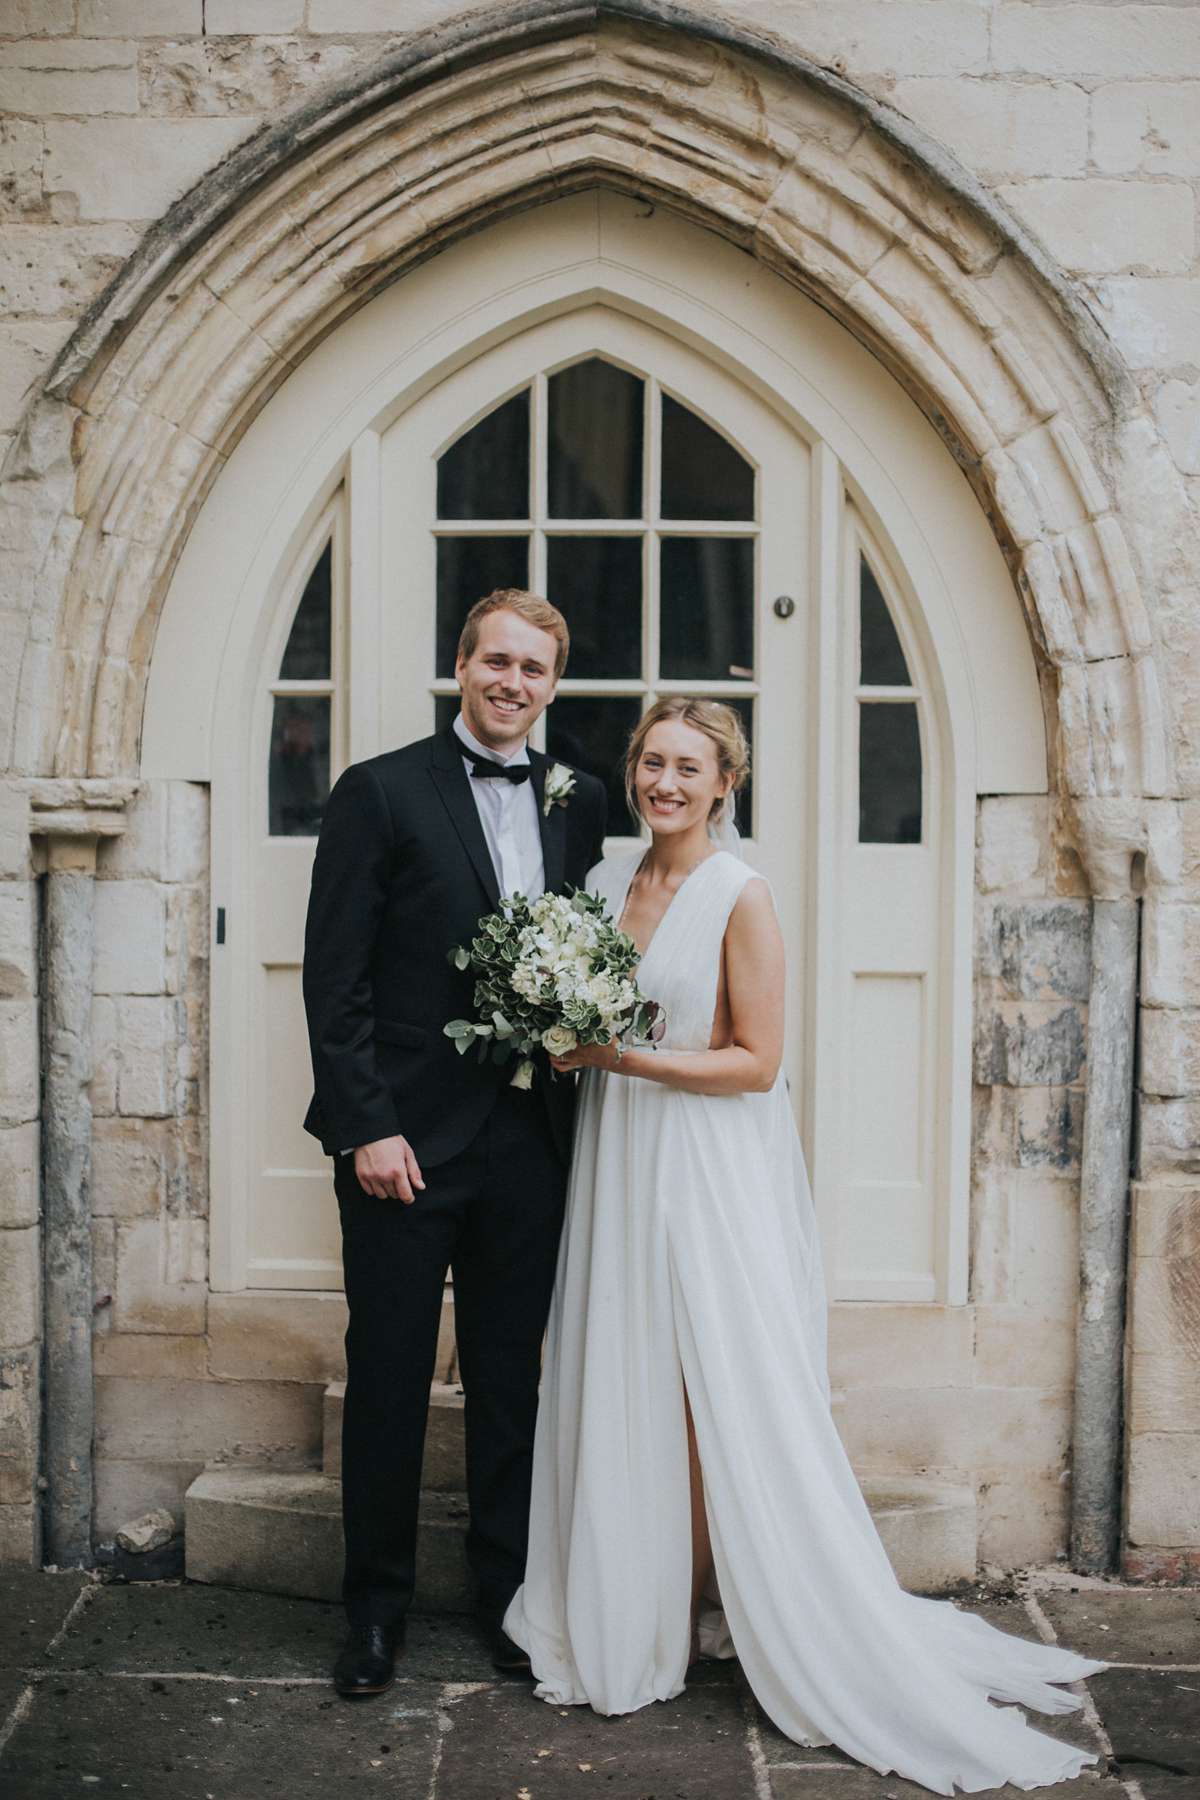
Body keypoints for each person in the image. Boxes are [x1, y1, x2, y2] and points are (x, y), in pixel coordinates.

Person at [504, 696, 1106, 1796]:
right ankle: (635, 1607)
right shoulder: (600, 886)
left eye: (688, 767)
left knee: (710, 1383)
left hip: (701, 1164)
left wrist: (616, 1058)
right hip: (616, 1163)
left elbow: (757, 1062)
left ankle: (689, 1610)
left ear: (724, 783)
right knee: (625, 1368)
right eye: (652, 762)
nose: (665, 783)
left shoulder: (743, 894)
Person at [302, 589, 607, 1697]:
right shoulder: (380, 791)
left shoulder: (581, 800)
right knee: (385, 1379)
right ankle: (372, 1614)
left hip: (529, 1137)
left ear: (552, 686)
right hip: (404, 1143)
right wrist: (366, 1125)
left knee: (507, 1385)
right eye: (496, 662)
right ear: (461, 666)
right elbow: (333, 978)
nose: (512, 683)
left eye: (534, 669)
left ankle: (508, 1600)